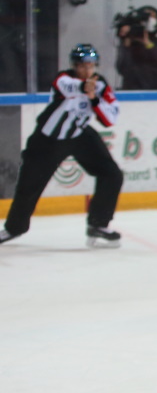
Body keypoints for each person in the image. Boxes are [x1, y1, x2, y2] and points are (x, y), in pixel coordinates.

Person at [1, 43, 123, 248]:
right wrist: (85, 89)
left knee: (112, 174)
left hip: (80, 135)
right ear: (74, 66)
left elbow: (110, 118)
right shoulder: (63, 78)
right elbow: (66, 87)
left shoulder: (100, 84)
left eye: (91, 66)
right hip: (49, 140)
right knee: (29, 185)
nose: (87, 70)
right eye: (82, 66)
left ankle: (98, 224)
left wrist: (94, 100)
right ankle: (14, 228)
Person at [114, 5, 157, 90]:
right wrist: (126, 44)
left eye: (153, 17)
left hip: (155, 92)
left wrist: (149, 44)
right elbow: (121, 68)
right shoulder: (129, 44)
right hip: (130, 92)